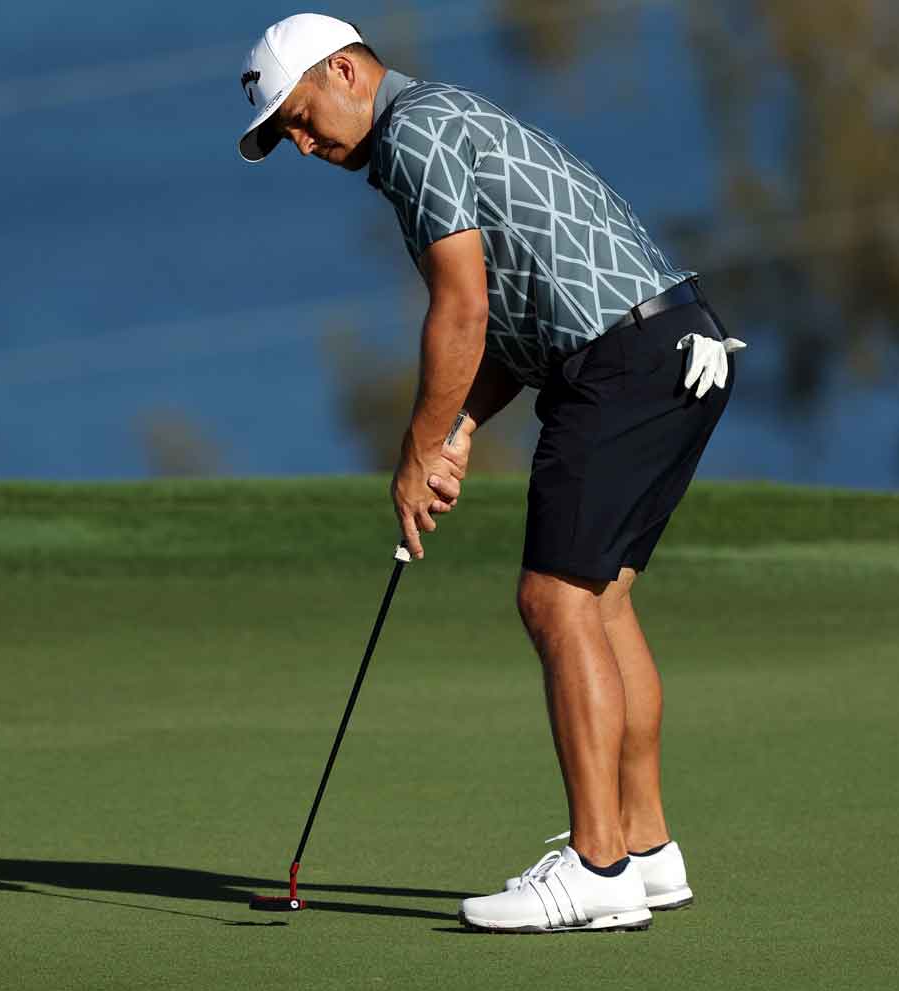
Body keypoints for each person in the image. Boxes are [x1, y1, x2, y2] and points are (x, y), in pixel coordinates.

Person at [236, 13, 744, 933]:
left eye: (301, 117)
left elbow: (461, 309)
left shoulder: (414, 134)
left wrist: (418, 451)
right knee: (598, 599)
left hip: (623, 362)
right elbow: (518, 305)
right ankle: (647, 850)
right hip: (673, 345)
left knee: (553, 601)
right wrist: (466, 421)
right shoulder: (433, 123)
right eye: (284, 136)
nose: (302, 144)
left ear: (347, 71)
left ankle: (597, 867)